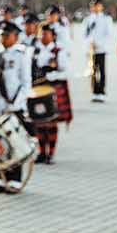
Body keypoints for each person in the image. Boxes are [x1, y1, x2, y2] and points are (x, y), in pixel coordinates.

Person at [0, 22, 32, 194]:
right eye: (1, 35)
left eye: (7, 35)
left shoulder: (20, 55)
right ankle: (2, 178)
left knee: (14, 144)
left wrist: (14, 105)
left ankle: (15, 180)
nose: (3, 38)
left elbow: (26, 83)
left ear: (15, 37)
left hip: (12, 107)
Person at [31, 23, 73, 164]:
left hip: (52, 91)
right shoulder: (34, 51)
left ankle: (51, 153)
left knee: (50, 123)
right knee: (38, 122)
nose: (43, 36)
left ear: (53, 36)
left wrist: (52, 76)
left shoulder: (58, 51)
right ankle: (42, 152)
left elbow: (67, 72)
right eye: (41, 33)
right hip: (37, 90)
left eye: (46, 34)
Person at [84, 0, 117, 103]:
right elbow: (85, 34)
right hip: (91, 49)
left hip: (101, 49)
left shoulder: (106, 18)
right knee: (93, 71)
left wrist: (99, 44)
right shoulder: (88, 19)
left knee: (101, 71)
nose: (95, 8)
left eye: (97, 5)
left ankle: (101, 92)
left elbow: (109, 34)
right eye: (93, 6)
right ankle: (95, 92)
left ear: (101, 7)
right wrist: (90, 43)